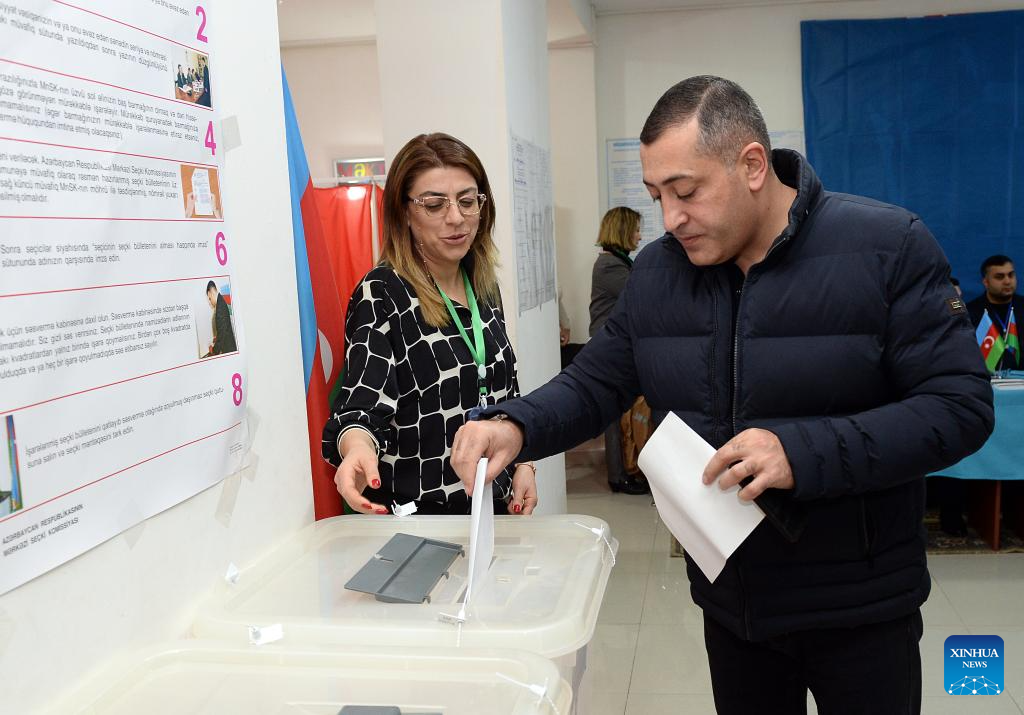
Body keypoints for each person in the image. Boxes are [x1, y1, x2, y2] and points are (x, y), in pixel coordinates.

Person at [450, 76, 993, 714]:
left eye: (686, 192)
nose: (670, 218)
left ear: (753, 165)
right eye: (657, 196)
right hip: (733, 605)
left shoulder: (886, 247)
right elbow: (595, 382)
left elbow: (959, 407)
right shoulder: (658, 273)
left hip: (861, 605)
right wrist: (515, 425)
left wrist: (801, 452)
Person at [322, 132, 537, 517]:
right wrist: (356, 448)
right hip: (422, 519)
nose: (456, 218)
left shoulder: (483, 286)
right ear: (404, 212)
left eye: (467, 201)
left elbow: (505, 389)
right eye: (435, 205)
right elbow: (362, 404)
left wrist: (523, 462)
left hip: (491, 504)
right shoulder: (383, 292)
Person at [590, 206, 647, 495]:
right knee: (614, 414)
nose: (640, 236)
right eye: (636, 229)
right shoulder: (611, 265)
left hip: (616, 344)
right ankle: (618, 476)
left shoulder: (618, 261)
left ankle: (626, 468)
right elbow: (640, 296)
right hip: (609, 347)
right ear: (624, 231)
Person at [966, 254, 1024, 371]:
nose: (1007, 281)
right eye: (999, 277)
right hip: (985, 378)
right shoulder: (969, 313)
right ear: (986, 282)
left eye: (1011, 275)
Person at [205, 281, 236, 355]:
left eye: (209, 298)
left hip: (228, 349)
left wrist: (213, 350)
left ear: (209, 293)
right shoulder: (221, 300)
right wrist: (217, 337)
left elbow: (222, 335)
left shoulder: (219, 308)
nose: (210, 302)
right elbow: (224, 328)